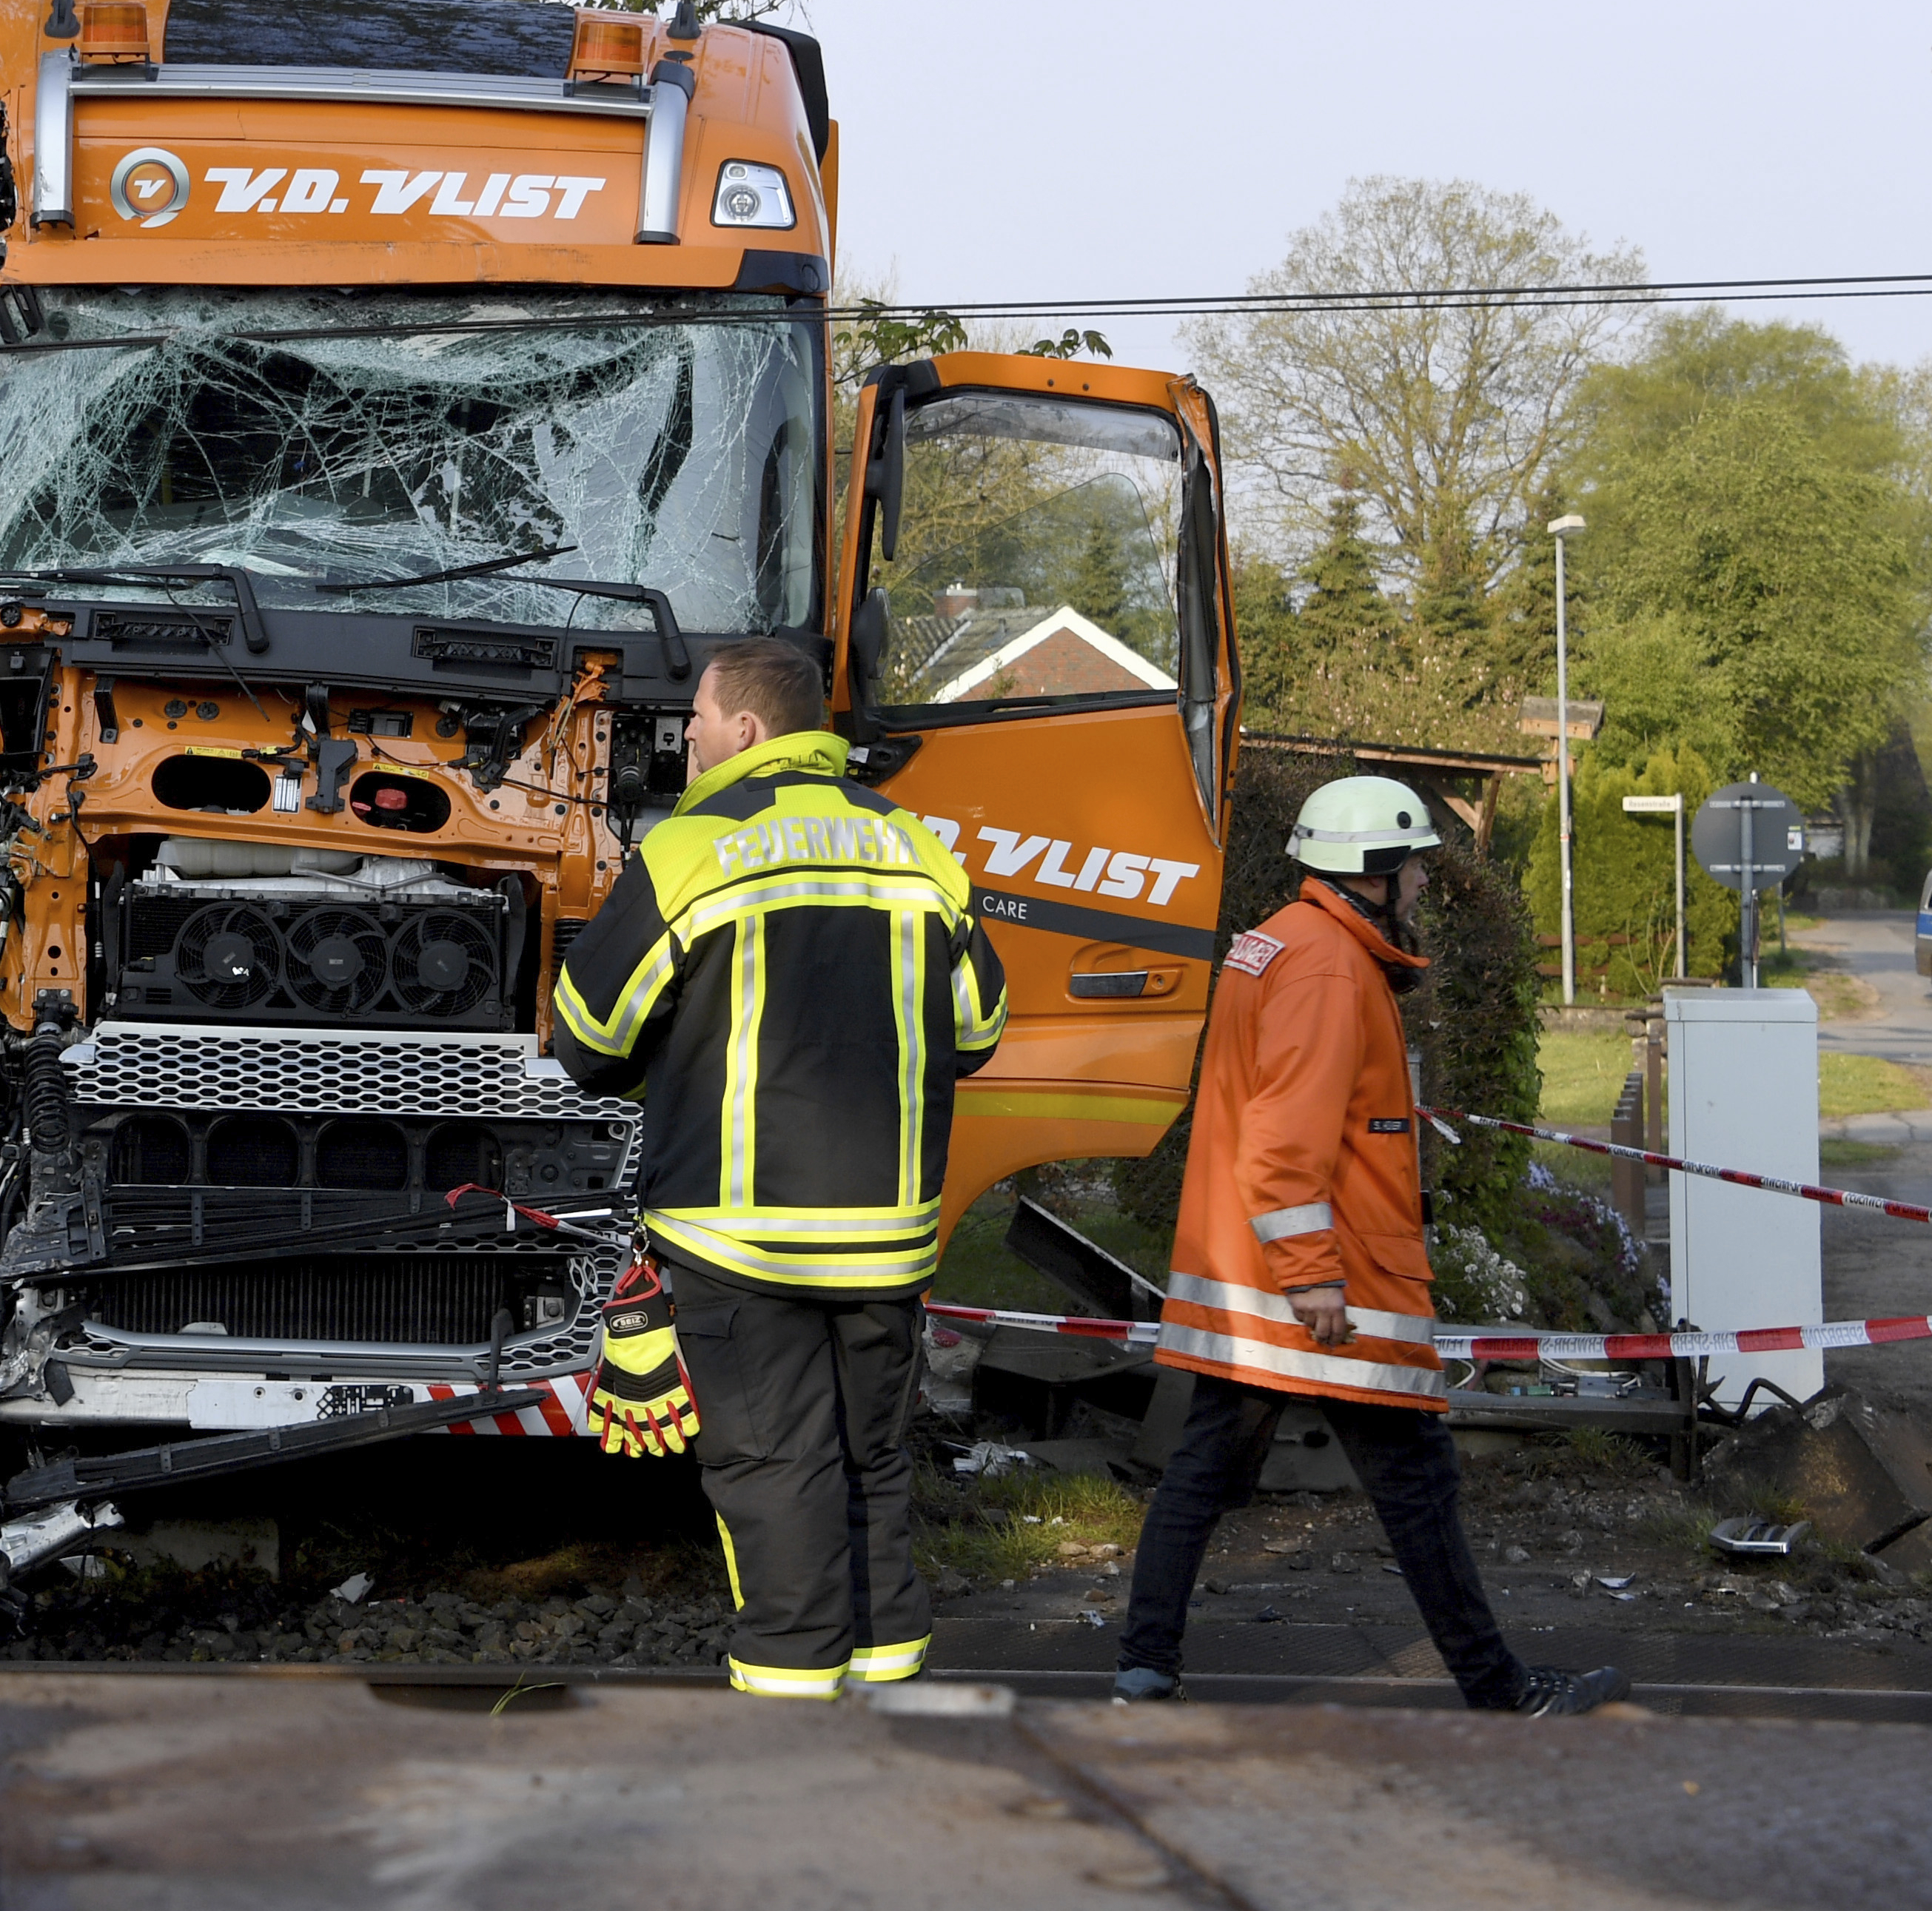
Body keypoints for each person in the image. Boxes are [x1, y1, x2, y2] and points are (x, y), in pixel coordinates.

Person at [1113, 773, 1626, 1717]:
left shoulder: (1286, 943)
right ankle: (1501, 1690)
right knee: (1418, 1488)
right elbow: (1283, 1139)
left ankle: (1144, 1674)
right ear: (1374, 872)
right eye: (1419, 864)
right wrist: (1314, 1278)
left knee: (1200, 1476)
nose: (1429, 881)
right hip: (1326, 1292)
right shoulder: (1328, 969)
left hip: (1252, 1280)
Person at [554, 638, 1005, 1697]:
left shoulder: (687, 847)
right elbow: (976, 1026)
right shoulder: (914, 845)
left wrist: (678, 1057)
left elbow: (586, 1037)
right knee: (871, 1466)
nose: (690, 740)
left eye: (700, 722)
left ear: (747, 728)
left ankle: (792, 1733)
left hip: (736, 1237)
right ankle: (889, 1690)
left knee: (773, 1474)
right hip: (888, 1237)